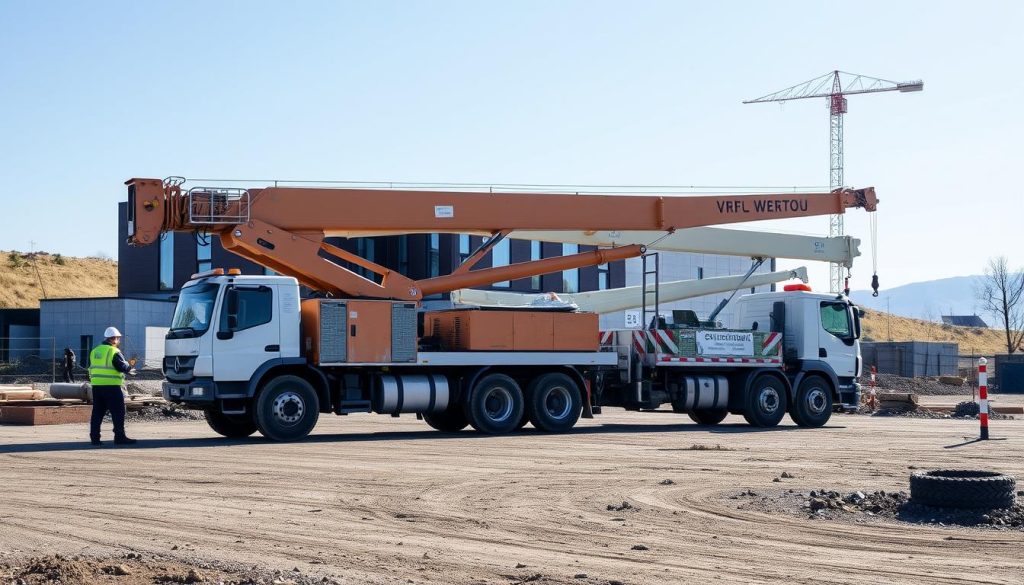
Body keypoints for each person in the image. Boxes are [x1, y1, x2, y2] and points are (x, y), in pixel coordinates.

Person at [88, 327, 137, 446]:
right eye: (118, 338)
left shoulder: (95, 351)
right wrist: (131, 364)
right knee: (118, 412)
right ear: (114, 339)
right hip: (112, 387)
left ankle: (95, 438)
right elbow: (122, 367)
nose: (119, 341)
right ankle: (119, 437)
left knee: (97, 413)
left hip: (97, 387)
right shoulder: (114, 352)